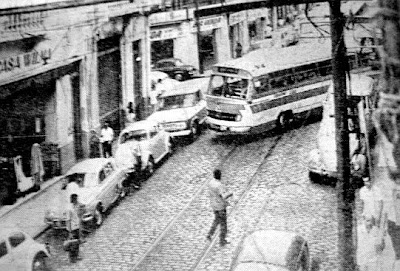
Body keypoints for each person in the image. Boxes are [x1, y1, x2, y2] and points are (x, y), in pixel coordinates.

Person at [207, 169, 233, 246]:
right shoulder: (219, 185)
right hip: (220, 207)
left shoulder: (211, 183)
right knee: (223, 224)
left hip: (214, 205)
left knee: (216, 220)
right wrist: (230, 193)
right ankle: (222, 240)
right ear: (220, 175)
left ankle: (210, 234)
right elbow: (223, 196)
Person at [66, 193, 83, 263]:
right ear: (72, 199)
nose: (76, 200)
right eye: (75, 199)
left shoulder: (76, 206)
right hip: (72, 228)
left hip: (77, 227)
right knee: (72, 244)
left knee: (77, 242)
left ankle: (76, 256)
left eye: (77, 199)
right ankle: (71, 258)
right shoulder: (69, 209)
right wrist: (69, 231)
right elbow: (68, 220)